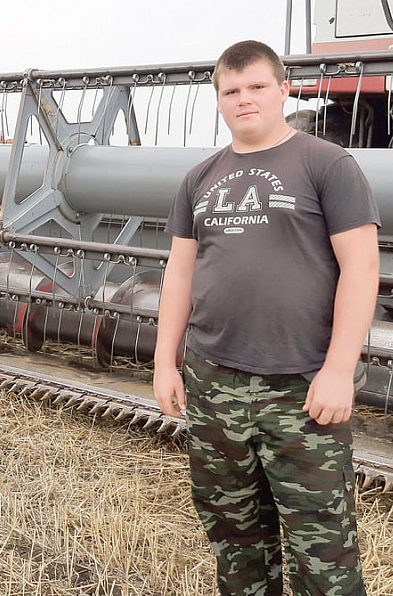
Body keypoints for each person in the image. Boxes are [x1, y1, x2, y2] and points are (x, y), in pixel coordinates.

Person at [153, 40, 380, 596]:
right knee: (234, 536)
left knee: (322, 548)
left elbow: (361, 268)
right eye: (231, 91)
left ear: (283, 90)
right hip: (214, 382)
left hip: (300, 387)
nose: (244, 99)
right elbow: (180, 275)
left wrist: (337, 370)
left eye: (257, 87)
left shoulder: (328, 165)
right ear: (219, 100)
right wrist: (165, 363)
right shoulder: (198, 178)